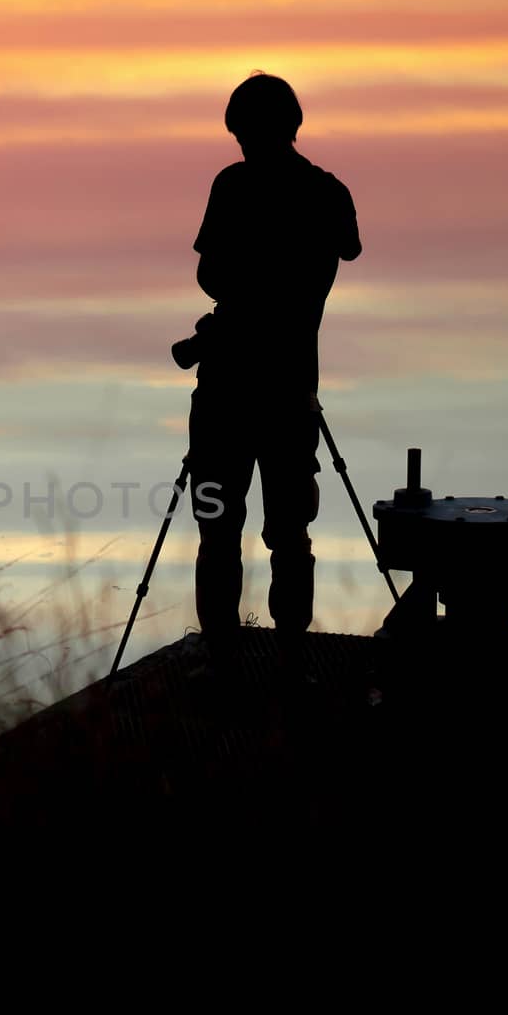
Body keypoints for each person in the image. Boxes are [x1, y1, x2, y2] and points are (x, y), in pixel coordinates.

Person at [179, 72, 361, 656]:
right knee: (288, 530)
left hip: (229, 389)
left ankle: (222, 654)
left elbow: (209, 274)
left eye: (243, 134)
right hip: (290, 388)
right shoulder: (328, 192)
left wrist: (244, 286)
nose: (242, 146)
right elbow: (346, 251)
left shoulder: (232, 186)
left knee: (218, 526)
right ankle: (289, 656)